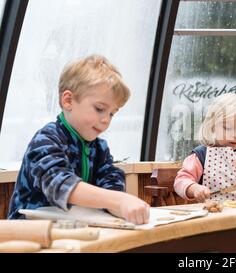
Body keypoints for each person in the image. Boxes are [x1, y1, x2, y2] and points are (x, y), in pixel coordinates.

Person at [8, 55, 150, 224]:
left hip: (72, 232)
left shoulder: (100, 149)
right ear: (68, 100)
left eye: (112, 113)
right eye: (99, 109)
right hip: (27, 235)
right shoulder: (45, 141)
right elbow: (60, 186)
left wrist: (122, 207)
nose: (106, 119)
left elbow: (111, 184)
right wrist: (118, 200)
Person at [174, 94, 236, 203]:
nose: (235, 135)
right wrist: (194, 188)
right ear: (212, 127)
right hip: (212, 214)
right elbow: (181, 180)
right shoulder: (201, 155)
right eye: (228, 128)